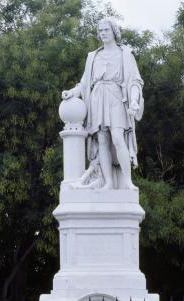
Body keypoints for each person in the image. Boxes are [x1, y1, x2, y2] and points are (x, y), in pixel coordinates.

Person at [62, 18, 144, 190]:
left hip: (116, 97)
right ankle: (108, 182)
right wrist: (72, 93)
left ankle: (127, 181)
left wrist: (134, 101)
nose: (103, 33)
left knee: (118, 137)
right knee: (102, 140)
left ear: (114, 31)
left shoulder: (125, 54)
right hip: (97, 98)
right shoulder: (93, 56)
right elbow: (85, 83)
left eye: (106, 30)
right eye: (100, 31)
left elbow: (134, 81)